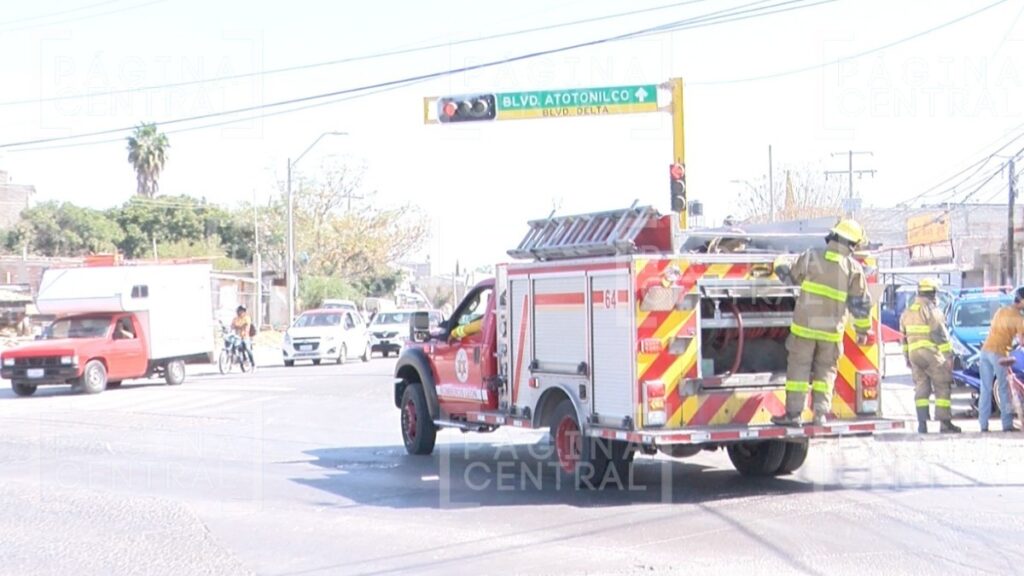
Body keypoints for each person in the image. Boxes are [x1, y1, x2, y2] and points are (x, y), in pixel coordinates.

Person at [771, 219, 873, 427]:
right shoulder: (853, 269)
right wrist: (862, 330)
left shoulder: (812, 256)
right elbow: (861, 304)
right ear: (852, 244)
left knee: (798, 371)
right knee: (825, 373)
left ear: (833, 237)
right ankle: (820, 415)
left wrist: (779, 262)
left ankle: (793, 415)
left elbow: (789, 277)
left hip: (804, 330)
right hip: (831, 334)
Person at [900, 278, 960, 434]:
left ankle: (922, 424)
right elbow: (939, 333)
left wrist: (907, 357)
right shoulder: (931, 310)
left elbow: (903, 338)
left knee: (921, 388)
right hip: (931, 354)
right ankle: (945, 424)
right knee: (942, 386)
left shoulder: (907, 312)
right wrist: (948, 356)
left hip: (914, 356)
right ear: (932, 293)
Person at [977, 287, 1024, 432]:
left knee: (985, 389)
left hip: (985, 351)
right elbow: (1022, 341)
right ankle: (1007, 425)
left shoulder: (1001, 311)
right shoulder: (1019, 318)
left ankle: (983, 426)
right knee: (1003, 389)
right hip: (999, 353)